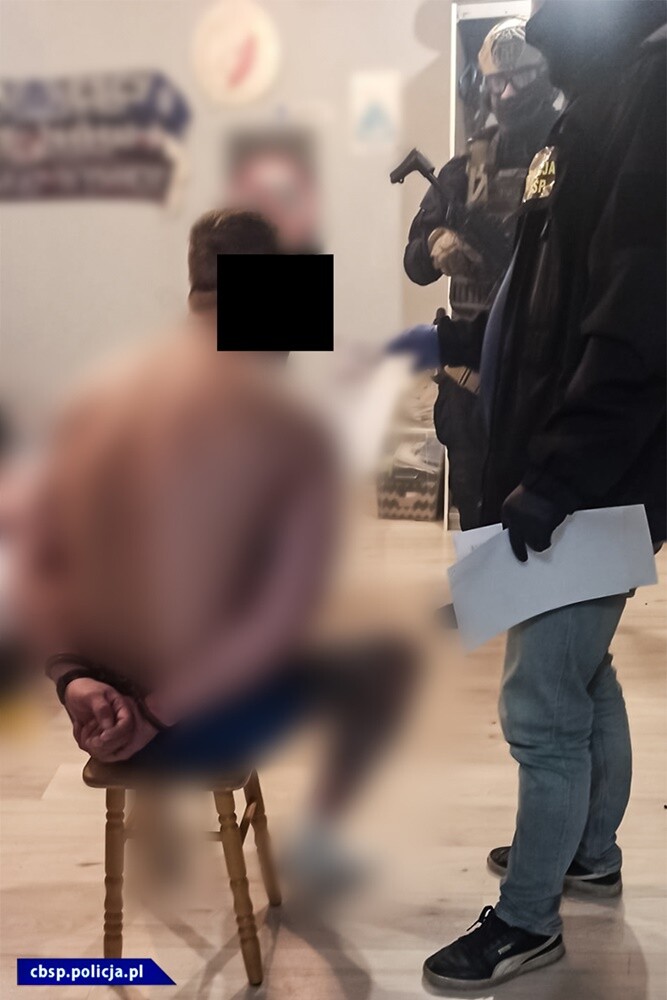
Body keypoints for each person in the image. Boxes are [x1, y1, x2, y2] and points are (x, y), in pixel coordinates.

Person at [13, 208, 414, 879]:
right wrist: (139, 708)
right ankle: (322, 835)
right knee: (378, 661)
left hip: (117, 711)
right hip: (172, 721)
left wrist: (78, 681)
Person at [419, 1, 666, 990]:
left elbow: (637, 321)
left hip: (589, 478)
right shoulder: (599, 102)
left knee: (540, 704)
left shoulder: (648, 94)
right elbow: (552, 296)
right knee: (583, 675)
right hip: (571, 466)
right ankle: (587, 855)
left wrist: (557, 475)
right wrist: (457, 344)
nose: (527, 31)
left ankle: (529, 922)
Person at [400, 17, 558, 529]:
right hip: (471, 382)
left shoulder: (576, 159)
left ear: (547, 76)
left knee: (546, 528)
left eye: (520, 79)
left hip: (546, 379)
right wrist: (434, 244)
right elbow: (414, 263)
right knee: (478, 524)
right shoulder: (461, 172)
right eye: (496, 81)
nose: (507, 93)